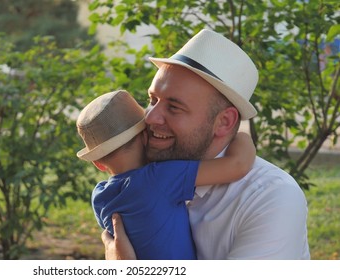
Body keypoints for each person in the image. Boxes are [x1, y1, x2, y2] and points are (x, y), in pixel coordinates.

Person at [101, 29, 310, 260]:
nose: (150, 117)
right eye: (152, 100)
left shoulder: (270, 197)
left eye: (174, 107)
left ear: (224, 122)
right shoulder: (142, 173)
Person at [76, 89, 256, 259]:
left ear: (98, 163)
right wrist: (241, 135)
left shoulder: (99, 197)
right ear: (146, 136)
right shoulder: (161, 177)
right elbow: (238, 165)